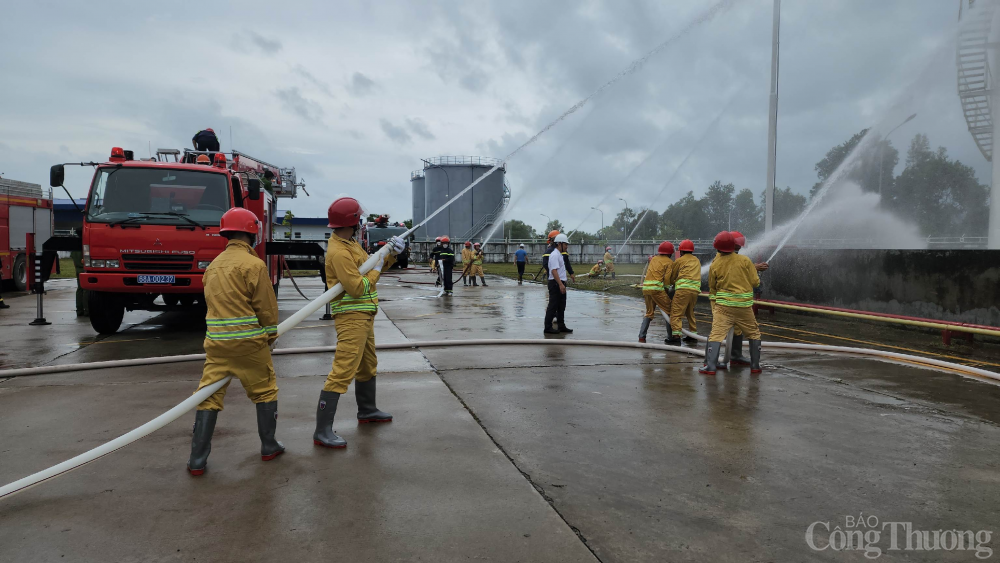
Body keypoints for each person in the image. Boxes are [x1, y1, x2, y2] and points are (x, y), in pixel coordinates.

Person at [187, 208, 282, 476]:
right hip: (249, 344)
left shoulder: (213, 266)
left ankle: (197, 460)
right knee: (265, 391)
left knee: (208, 397)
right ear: (253, 232)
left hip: (216, 346)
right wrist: (270, 336)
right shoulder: (254, 265)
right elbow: (265, 308)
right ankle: (269, 445)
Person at [314, 197, 405, 449]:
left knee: (367, 365)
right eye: (359, 219)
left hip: (364, 315)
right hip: (351, 317)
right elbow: (355, 287)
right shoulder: (340, 252)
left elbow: (369, 268)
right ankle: (322, 430)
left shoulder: (350, 244)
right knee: (343, 369)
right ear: (353, 221)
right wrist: (377, 268)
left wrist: (391, 256)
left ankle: (367, 410)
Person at [701, 231, 762, 375]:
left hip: (724, 307)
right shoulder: (745, 261)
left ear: (717, 247)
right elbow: (755, 282)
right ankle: (755, 366)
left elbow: (712, 285)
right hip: (744, 307)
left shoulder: (715, 264)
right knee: (754, 334)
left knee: (716, 335)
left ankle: (710, 366)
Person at [666, 239, 701, 344]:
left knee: (676, 313)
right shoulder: (697, 260)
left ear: (681, 251)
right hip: (694, 291)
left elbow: (673, 275)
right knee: (690, 312)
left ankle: (676, 337)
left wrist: (671, 283)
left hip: (682, 290)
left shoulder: (679, 261)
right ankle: (693, 335)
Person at [638, 241, 674, 343]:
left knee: (649, 313)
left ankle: (641, 337)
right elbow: (667, 279)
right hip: (657, 289)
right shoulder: (669, 262)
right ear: (670, 253)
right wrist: (666, 290)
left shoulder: (653, 260)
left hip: (646, 288)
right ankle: (671, 337)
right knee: (669, 311)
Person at [543, 234, 573, 334]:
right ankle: (548, 328)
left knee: (561, 306)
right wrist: (560, 284)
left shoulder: (559, 254)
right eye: (565, 244)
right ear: (559, 244)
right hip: (555, 284)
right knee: (553, 306)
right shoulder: (554, 255)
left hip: (560, 283)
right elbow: (554, 271)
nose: (567, 246)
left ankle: (561, 325)